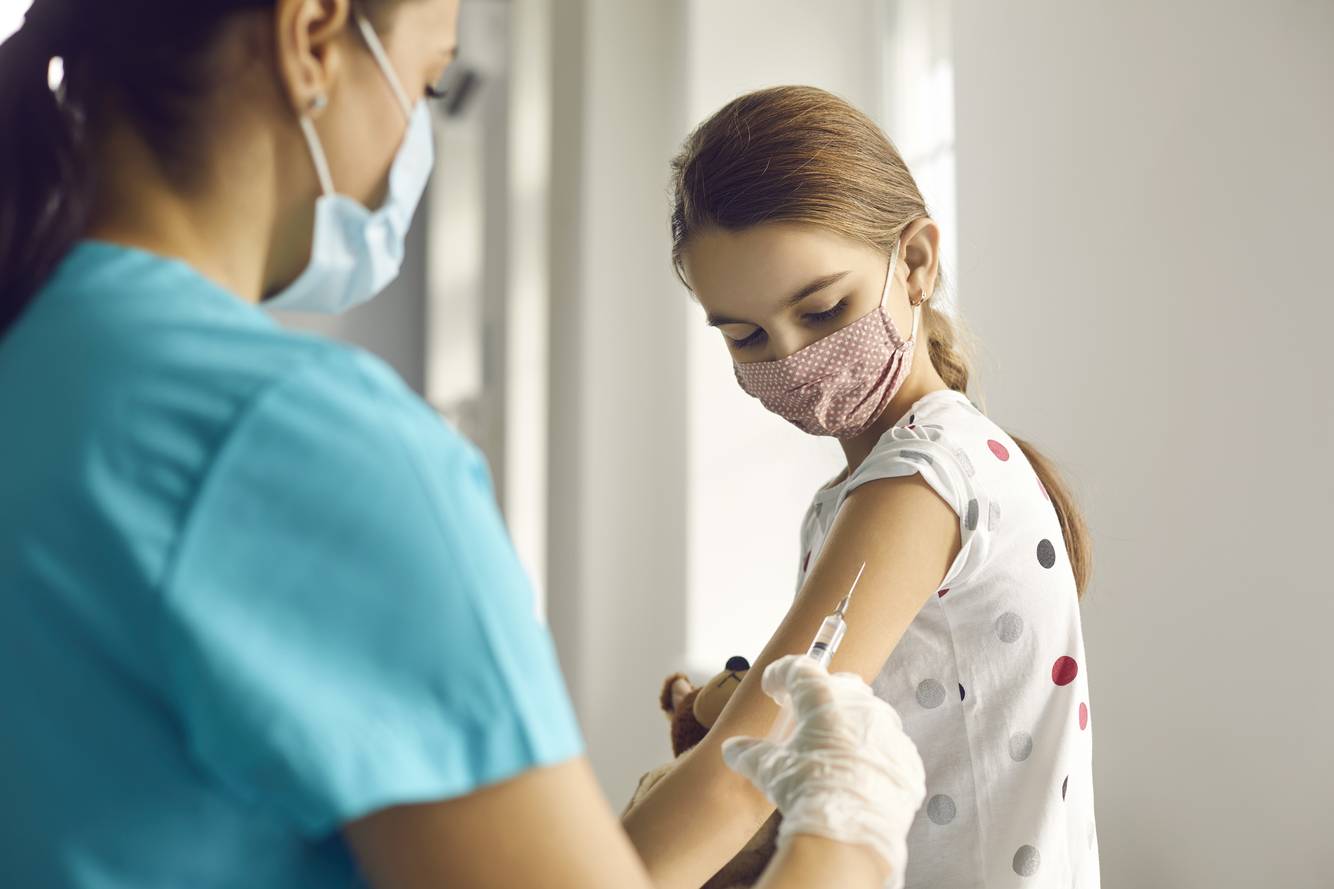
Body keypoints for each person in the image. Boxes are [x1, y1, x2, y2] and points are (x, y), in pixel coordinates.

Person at [0, 4, 928, 888]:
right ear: (313, 37)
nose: (415, 139)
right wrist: (846, 836)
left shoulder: (39, 361)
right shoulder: (295, 445)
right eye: (429, 82)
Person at [622, 86, 1101, 888]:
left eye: (821, 308)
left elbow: (746, 773)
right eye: (744, 335)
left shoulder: (920, 481)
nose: (788, 356)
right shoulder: (867, 488)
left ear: (914, 261)